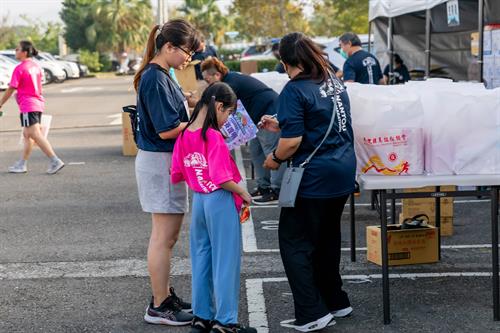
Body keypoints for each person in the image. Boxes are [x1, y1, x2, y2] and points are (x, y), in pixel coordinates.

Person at [260, 32, 357, 332]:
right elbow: (318, 121)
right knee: (327, 238)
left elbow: (292, 142)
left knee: (295, 242)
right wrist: (282, 124)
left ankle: (311, 312)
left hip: (314, 177)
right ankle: (336, 300)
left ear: (285, 61)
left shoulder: (294, 89)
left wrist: (274, 158)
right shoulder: (332, 81)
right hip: (342, 172)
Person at [171, 82, 256, 333]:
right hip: (219, 199)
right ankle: (226, 322)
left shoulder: (186, 133)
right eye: (228, 113)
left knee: (201, 260)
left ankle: (202, 316)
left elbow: (177, 171)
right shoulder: (214, 136)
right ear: (219, 106)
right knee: (226, 262)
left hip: (199, 199)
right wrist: (243, 192)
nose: (227, 118)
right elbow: (222, 177)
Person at [132, 18, 200, 326]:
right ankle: (159, 305)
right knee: (163, 238)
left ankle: (164, 296)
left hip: (162, 162)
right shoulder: (155, 78)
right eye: (187, 51)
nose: (189, 58)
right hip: (159, 162)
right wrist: (203, 122)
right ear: (169, 47)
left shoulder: (162, 74)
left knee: (167, 237)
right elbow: (167, 129)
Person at [201, 57, 284, 205]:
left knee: (271, 151)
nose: (208, 85)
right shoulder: (230, 79)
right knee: (256, 151)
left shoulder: (229, 82)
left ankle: (277, 190)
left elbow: (219, 105)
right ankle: (263, 186)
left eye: (208, 80)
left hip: (269, 113)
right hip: (256, 119)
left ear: (217, 75)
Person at [0, 40, 64, 174]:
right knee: (27, 134)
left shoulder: (20, 68)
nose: (15, 51)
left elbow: (11, 88)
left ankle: (54, 160)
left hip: (28, 105)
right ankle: (22, 164)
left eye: (17, 49)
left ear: (24, 52)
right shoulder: (35, 66)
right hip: (37, 103)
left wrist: (0, 103)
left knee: (34, 134)